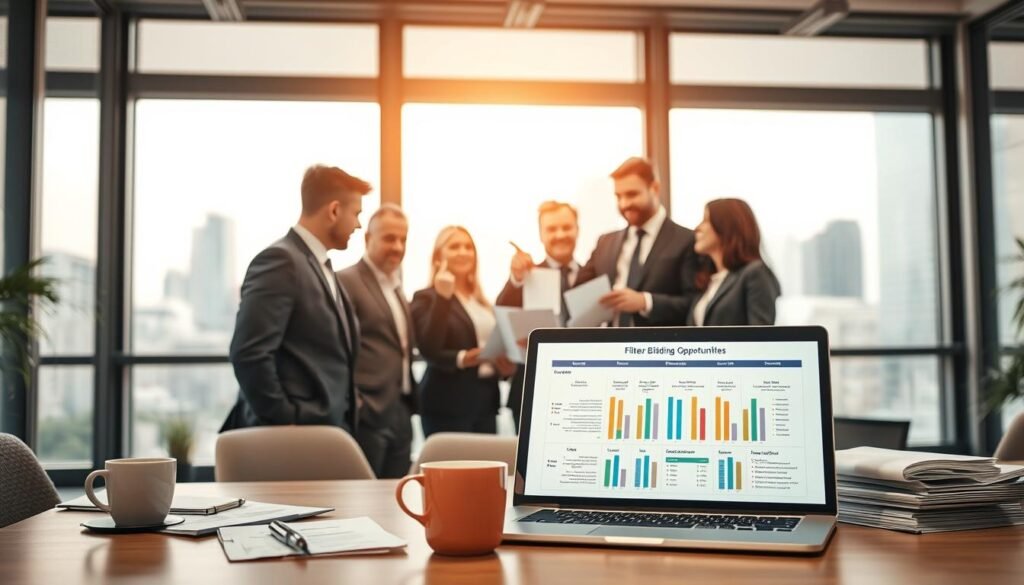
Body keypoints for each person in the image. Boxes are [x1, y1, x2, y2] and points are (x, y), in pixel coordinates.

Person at [220, 164, 368, 433]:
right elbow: (248, 352)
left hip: (325, 432)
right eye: (356, 213)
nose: (358, 224)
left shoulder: (321, 267)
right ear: (334, 210)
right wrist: (284, 419)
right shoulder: (281, 261)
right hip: (293, 436)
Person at [411, 226, 515, 437]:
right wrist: (464, 358)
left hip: (485, 404)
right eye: (454, 246)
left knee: (486, 469)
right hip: (447, 406)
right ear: (439, 256)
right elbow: (429, 348)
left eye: (468, 247)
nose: (463, 252)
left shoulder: (482, 302)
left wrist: (503, 366)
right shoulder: (426, 297)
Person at [338, 204, 417, 478]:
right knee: (366, 499)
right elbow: (337, 350)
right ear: (368, 239)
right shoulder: (346, 282)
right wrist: (358, 404)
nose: (397, 246)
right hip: (369, 414)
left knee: (394, 497)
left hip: (400, 410)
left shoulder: (396, 287)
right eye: (389, 238)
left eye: (403, 239)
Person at [575, 157, 700, 326]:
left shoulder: (687, 240)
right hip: (608, 345)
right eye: (618, 196)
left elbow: (695, 303)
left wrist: (645, 302)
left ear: (654, 188)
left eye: (632, 194)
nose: (624, 203)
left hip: (658, 346)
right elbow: (576, 290)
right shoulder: (605, 242)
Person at [496, 200, 581, 431]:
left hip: (582, 393)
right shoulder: (525, 276)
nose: (560, 234)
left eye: (566, 227)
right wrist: (516, 278)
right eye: (551, 229)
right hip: (530, 393)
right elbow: (502, 312)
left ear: (577, 229)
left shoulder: (592, 275)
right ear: (541, 235)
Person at [687, 198, 781, 326]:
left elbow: (761, 337)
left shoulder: (755, 273)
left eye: (706, 221)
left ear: (726, 226)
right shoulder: (708, 282)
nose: (697, 228)